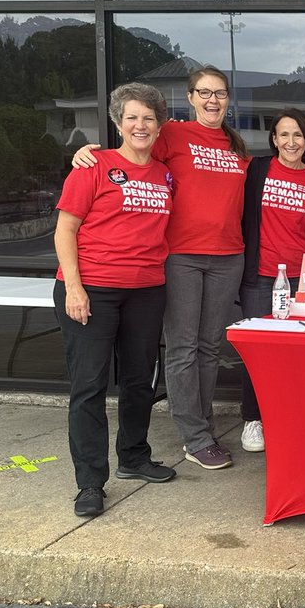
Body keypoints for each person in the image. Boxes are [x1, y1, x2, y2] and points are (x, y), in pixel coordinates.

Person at [73, 66, 250, 472]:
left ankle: (202, 421)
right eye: (203, 92)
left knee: (210, 347)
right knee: (184, 347)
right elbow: (132, 155)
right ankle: (195, 436)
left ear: (228, 99)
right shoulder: (172, 134)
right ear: (189, 98)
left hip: (228, 256)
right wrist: (87, 154)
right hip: (181, 256)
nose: (212, 100)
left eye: (220, 93)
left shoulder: (235, 145)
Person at [54, 83, 175, 517]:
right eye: (132, 118)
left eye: (148, 118)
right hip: (93, 291)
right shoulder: (93, 165)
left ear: (160, 125)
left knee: (140, 379)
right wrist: (74, 287)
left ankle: (134, 457)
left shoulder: (164, 172)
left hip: (146, 289)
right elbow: (65, 230)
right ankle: (89, 482)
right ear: (118, 122)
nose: (140, 125)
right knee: (89, 387)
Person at [238, 110, 305, 452]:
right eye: (283, 135)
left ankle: (290, 415)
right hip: (261, 275)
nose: (291, 142)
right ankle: (253, 419)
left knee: (299, 351)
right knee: (258, 349)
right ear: (274, 140)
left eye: (298, 135)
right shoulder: (256, 170)